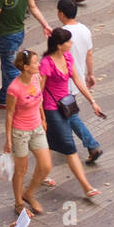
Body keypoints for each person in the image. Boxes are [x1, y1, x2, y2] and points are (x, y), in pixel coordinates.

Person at [39, 27, 102, 199]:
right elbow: (39, 91)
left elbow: (78, 81)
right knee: (69, 147)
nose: (71, 43)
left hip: (66, 105)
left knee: (48, 143)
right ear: (59, 45)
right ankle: (86, 187)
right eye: (68, 41)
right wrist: (41, 116)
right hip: (52, 109)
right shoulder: (46, 63)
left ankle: (42, 174)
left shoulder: (67, 57)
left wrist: (92, 102)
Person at [4, 49, 50, 214]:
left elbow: (39, 100)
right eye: (35, 63)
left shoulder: (36, 78)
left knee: (45, 166)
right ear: (25, 67)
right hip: (20, 132)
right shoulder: (14, 89)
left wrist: (43, 118)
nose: (38, 65)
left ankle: (28, 193)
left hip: (37, 127)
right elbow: (9, 114)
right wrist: (8, 139)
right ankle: (18, 203)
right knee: (21, 170)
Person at [56, 0, 102, 162]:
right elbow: (89, 54)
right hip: (78, 80)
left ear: (61, 14)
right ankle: (62, 141)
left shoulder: (62, 34)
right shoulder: (85, 30)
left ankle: (92, 144)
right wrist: (90, 74)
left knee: (71, 116)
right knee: (65, 114)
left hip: (64, 83)